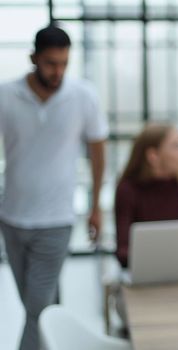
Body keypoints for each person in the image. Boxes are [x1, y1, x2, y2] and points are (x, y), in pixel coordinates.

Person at [0, 25, 107, 350]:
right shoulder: (6, 95)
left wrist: (95, 205)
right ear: (33, 58)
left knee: (37, 309)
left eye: (63, 63)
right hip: (12, 218)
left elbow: (97, 151)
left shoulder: (83, 96)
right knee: (40, 305)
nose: (57, 71)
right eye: (50, 63)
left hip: (57, 220)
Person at [114, 122, 178, 268]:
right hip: (144, 278)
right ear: (153, 156)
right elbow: (123, 251)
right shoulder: (127, 190)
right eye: (176, 145)